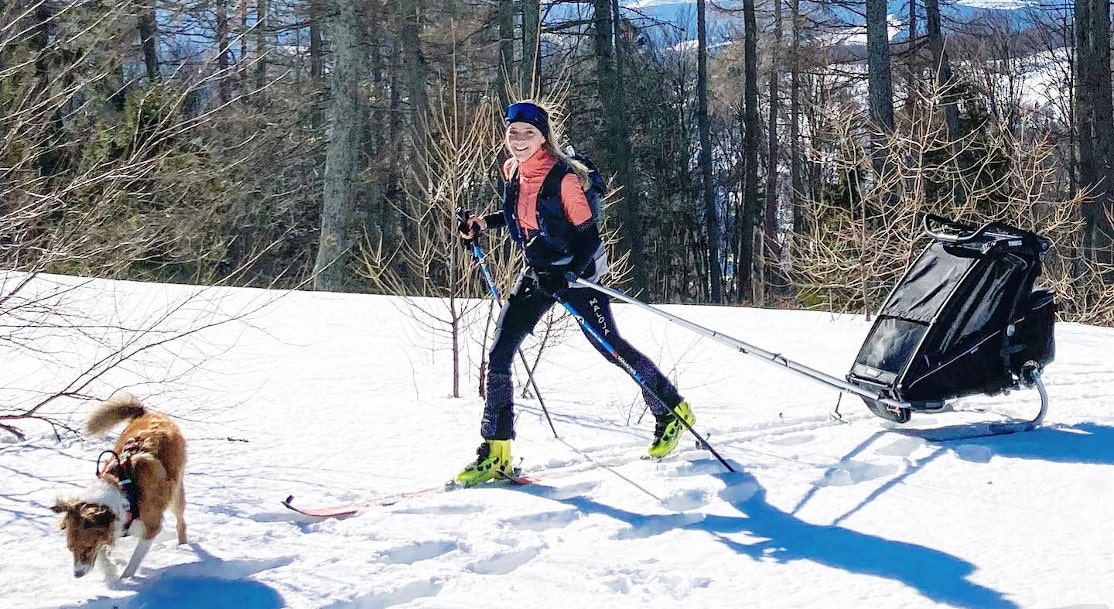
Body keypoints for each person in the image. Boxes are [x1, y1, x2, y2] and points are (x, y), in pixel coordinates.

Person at [454, 100, 695, 486]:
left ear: (543, 137)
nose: (519, 139)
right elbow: (522, 216)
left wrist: (565, 276)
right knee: (499, 354)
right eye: (513, 132)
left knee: (610, 347)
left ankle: (671, 410)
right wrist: (482, 224)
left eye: (528, 133)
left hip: (577, 275)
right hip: (538, 272)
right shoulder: (513, 170)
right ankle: (496, 452)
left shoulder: (564, 178)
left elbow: (588, 238)